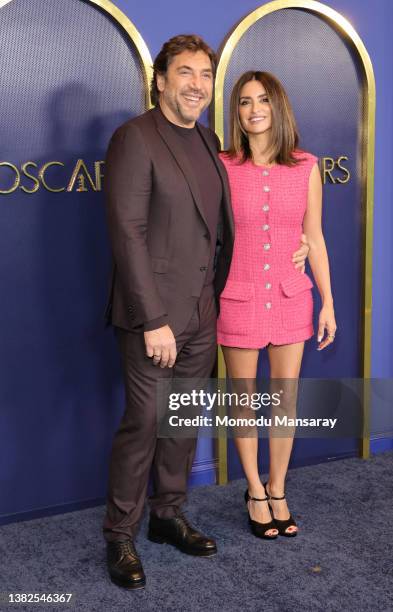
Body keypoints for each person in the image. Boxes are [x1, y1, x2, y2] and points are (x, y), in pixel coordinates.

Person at [103, 36, 309, 589]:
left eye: (205, 74)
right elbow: (128, 234)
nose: (197, 83)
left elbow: (231, 225)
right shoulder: (133, 138)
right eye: (185, 72)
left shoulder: (208, 139)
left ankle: (167, 516)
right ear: (162, 80)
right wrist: (153, 320)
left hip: (202, 313)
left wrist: (300, 245)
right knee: (144, 423)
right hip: (155, 318)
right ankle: (120, 535)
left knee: (183, 421)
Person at [217, 71, 337, 539]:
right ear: (237, 112)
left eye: (262, 99)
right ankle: (253, 490)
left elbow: (316, 237)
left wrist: (327, 301)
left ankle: (278, 487)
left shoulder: (306, 166)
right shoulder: (223, 165)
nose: (253, 109)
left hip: (291, 297)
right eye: (244, 102)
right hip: (239, 298)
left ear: (278, 105)